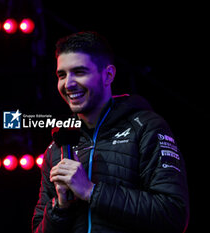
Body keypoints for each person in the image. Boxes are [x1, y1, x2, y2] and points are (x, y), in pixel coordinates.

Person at [32, 31, 189, 233]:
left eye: (79, 72)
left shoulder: (146, 127)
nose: (68, 84)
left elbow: (173, 215)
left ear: (108, 75)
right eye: (61, 75)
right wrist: (61, 207)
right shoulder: (57, 147)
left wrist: (91, 191)